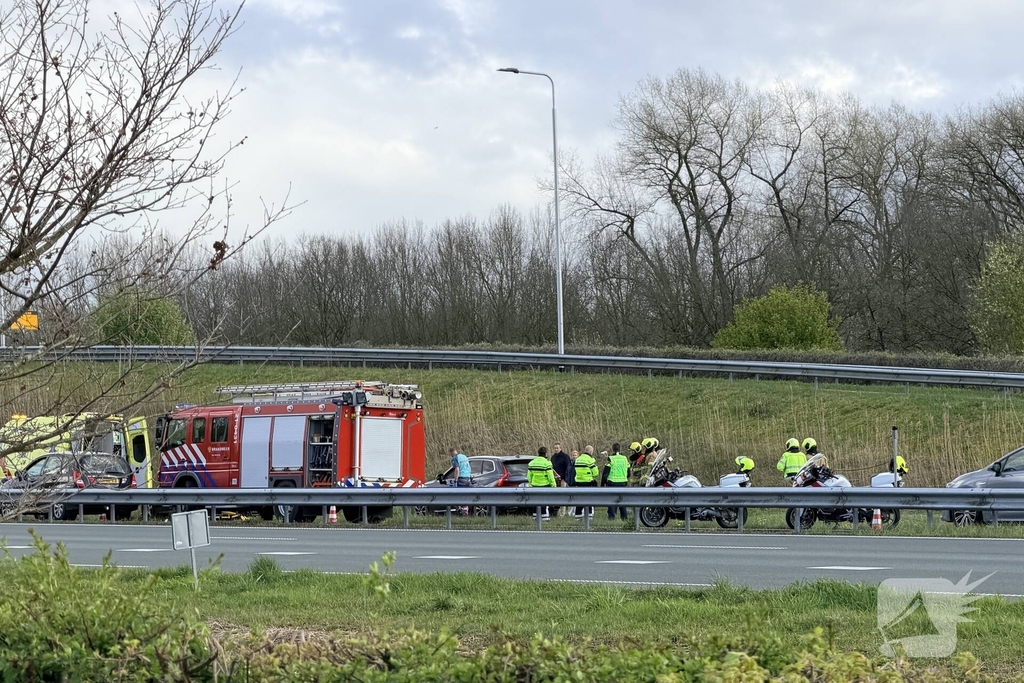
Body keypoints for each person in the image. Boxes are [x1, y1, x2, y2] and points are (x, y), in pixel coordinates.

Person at [601, 443, 630, 521]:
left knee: (612, 502)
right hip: (623, 483)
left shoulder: (610, 459)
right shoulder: (625, 459)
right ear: (620, 449)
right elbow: (629, 472)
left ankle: (611, 518)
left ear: (612, 449)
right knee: (622, 502)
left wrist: (602, 484)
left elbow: (605, 473)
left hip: (612, 483)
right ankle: (624, 518)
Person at [527, 446, 556, 520]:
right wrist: (554, 485)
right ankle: (545, 518)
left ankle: (535, 517)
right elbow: (550, 476)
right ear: (546, 454)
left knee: (535, 502)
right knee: (544, 502)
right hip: (545, 485)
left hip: (534, 486)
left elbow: (529, 476)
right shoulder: (547, 463)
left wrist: (531, 483)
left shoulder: (532, 463)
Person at [573, 445, 599, 518]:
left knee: (579, 499)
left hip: (578, 482)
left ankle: (578, 515)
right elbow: (596, 473)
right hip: (588, 482)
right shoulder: (590, 460)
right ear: (590, 451)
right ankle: (589, 515)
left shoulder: (578, 459)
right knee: (589, 499)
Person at [550, 442, 573, 516]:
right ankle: (556, 512)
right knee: (555, 497)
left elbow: (568, 468)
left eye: (557, 448)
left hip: (562, 479)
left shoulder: (565, 457)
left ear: (560, 448)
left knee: (562, 496)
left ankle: (562, 513)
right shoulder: (553, 457)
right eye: (555, 448)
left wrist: (566, 478)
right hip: (554, 479)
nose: (556, 449)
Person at [450, 448, 472, 515]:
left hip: (461, 478)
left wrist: (455, 480)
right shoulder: (464, 456)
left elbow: (457, 469)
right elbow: (469, 467)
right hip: (468, 478)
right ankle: (465, 510)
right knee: (465, 496)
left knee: (458, 496)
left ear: (451, 453)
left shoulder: (455, 458)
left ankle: (461, 511)